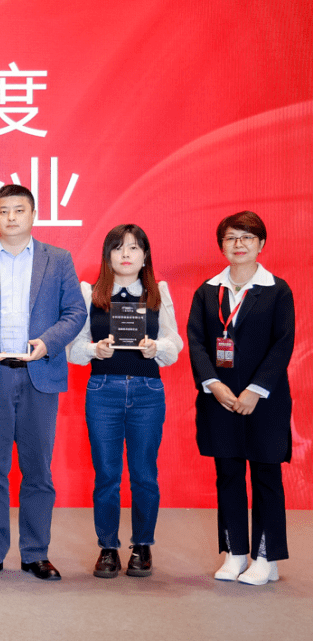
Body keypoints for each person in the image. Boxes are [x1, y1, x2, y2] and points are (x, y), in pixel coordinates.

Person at [0, 184, 85, 581]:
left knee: (38, 469)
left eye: (19, 210)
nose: (11, 217)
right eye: (3, 210)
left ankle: (35, 553)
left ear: (33, 214)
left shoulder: (57, 259)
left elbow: (75, 312)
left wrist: (48, 343)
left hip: (38, 374)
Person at [67, 224, 183, 578]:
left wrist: (156, 347)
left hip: (148, 392)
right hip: (103, 390)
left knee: (144, 474)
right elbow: (74, 349)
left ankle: (143, 545)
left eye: (134, 248)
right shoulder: (89, 293)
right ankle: (107, 547)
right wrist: (95, 349)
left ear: (145, 255)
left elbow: (175, 345)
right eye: (118, 248)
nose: (126, 255)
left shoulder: (157, 292)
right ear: (108, 256)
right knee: (107, 474)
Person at [187, 211, 293, 586]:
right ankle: (234, 553)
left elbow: (283, 344)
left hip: (264, 402)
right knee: (228, 475)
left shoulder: (277, 290)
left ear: (261, 244)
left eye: (247, 237)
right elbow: (196, 342)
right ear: (222, 245)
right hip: (220, 400)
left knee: (266, 476)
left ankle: (265, 558)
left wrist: (255, 390)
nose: (239, 244)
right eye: (231, 237)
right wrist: (213, 385)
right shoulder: (207, 291)